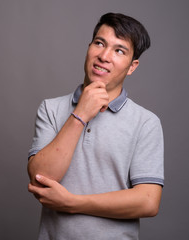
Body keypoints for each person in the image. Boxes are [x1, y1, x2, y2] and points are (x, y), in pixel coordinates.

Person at [27, 12, 164, 240]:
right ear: (89, 47)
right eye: (99, 43)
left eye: (119, 50)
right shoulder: (50, 109)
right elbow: (40, 177)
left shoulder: (146, 122)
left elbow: (148, 202)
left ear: (132, 66)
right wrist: (80, 114)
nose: (104, 56)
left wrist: (73, 203)